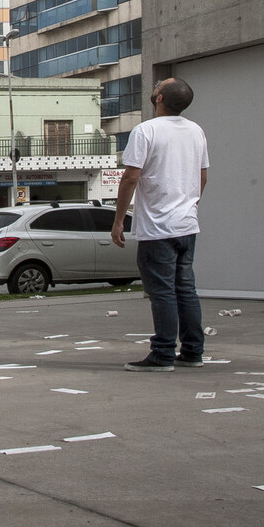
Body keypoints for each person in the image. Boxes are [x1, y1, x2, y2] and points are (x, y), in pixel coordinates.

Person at [111, 77, 208, 371]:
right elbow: (203, 176)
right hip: (186, 225)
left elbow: (130, 177)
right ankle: (192, 351)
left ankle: (163, 353)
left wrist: (118, 221)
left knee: (162, 291)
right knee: (185, 289)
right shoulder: (196, 131)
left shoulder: (146, 131)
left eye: (159, 86)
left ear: (159, 98)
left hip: (158, 227)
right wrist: (190, 203)